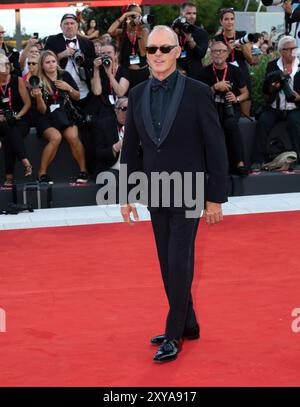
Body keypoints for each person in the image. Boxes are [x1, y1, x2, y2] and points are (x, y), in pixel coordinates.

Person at [120, 26, 228, 363]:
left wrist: (214, 197)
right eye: (152, 49)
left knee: (179, 260)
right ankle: (189, 323)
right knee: (167, 261)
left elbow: (216, 146)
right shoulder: (137, 94)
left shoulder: (197, 92)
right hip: (155, 188)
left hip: (189, 188)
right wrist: (125, 192)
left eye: (165, 48)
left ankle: (173, 332)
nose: (158, 55)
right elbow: (131, 146)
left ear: (177, 51)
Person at [31, 50, 88, 183]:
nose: (51, 65)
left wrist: (69, 88)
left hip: (64, 113)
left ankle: (83, 171)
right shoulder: (38, 80)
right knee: (56, 137)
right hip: (46, 116)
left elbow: (78, 96)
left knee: (73, 136)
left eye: (53, 61)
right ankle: (42, 173)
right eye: (47, 62)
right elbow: (41, 110)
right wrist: (39, 97)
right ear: (42, 65)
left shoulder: (64, 75)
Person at [199, 41, 249, 175]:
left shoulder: (235, 70)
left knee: (231, 124)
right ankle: (212, 165)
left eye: (221, 51)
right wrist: (215, 87)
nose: (218, 54)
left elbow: (246, 93)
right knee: (211, 126)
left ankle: (240, 163)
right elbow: (199, 96)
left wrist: (236, 98)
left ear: (227, 54)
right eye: (215, 51)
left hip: (231, 107)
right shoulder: (204, 72)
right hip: (212, 109)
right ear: (211, 54)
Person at [251, 36, 300, 169]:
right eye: (288, 49)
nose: (292, 52)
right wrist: (273, 87)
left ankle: (299, 161)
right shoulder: (272, 65)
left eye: (294, 48)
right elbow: (265, 90)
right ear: (281, 51)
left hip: (295, 107)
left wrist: (299, 97)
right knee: (263, 122)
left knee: (296, 124)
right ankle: (257, 160)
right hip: (275, 107)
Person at [44, 13, 96, 112]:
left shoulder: (87, 42)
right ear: (61, 26)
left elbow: (93, 62)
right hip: (60, 88)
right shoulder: (52, 40)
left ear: (77, 26)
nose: (69, 26)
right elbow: (44, 60)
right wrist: (61, 55)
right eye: (66, 24)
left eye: (72, 23)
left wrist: (83, 60)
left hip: (84, 88)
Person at [0, 54, 32, 187]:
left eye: (8, 63)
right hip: (2, 122)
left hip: (20, 119)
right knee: (9, 129)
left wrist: (18, 116)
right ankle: (25, 162)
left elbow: (27, 104)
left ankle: (9, 177)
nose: (7, 67)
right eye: (3, 64)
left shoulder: (17, 80)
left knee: (9, 135)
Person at [214, 8, 252, 116]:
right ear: (221, 21)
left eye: (232, 19)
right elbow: (217, 61)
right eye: (226, 19)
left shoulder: (243, 35)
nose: (229, 22)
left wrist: (243, 47)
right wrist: (228, 50)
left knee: (245, 113)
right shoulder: (218, 39)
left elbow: (250, 60)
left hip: (242, 72)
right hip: (226, 74)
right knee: (226, 112)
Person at [108, 4, 150, 89]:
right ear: (129, 16)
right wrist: (124, 15)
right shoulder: (122, 33)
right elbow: (110, 31)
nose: (139, 16)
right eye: (135, 14)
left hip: (141, 72)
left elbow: (142, 53)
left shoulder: (144, 31)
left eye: (140, 14)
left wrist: (138, 31)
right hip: (127, 73)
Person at [91, 41, 129, 119]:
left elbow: (120, 92)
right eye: (103, 53)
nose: (106, 55)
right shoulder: (97, 70)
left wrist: (110, 74)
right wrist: (96, 69)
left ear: (116, 54)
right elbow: (97, 92)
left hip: (120, 107)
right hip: (103, 107)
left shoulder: (123, 70)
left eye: (109, 52)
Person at [92, 96, 128, 178]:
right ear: (116, 111)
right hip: (111, 167)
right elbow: (98, 154)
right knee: (112, 181)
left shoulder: (138, 126)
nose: (127, 112)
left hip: (133, 170)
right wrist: (116, 147)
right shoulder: (103, 125)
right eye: (124, 109)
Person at [173, 2, 209, 80]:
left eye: (194, 13)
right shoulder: (174, 31)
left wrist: (190, 40)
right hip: (175, 73)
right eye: (188, 13)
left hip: (194, 75)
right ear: (181, 14)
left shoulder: (201, 32)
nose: (192, 16)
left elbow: (201, 54)